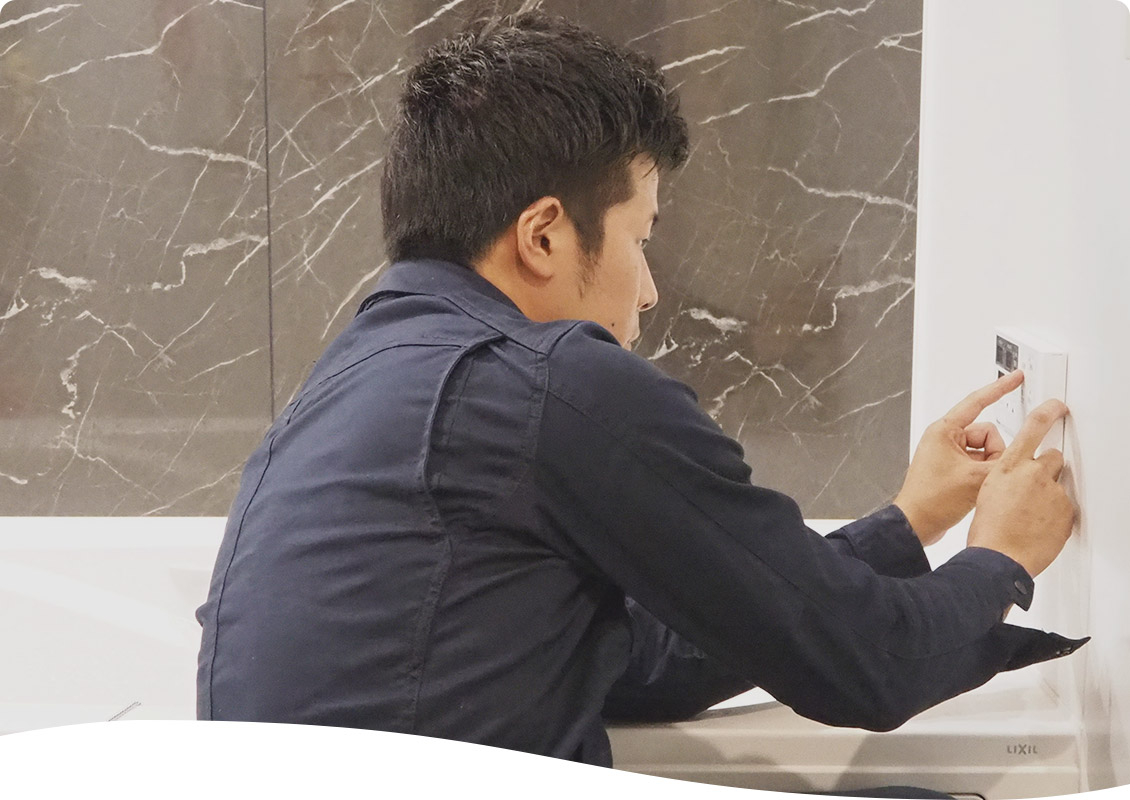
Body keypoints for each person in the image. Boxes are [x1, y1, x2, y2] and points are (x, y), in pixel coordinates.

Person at [195, 11, 1084, 771]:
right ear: (544, 236)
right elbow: (870, 668)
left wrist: (911, 521)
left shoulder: (351, 384)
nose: (650, 289)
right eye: (640, 238)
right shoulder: (546, 382)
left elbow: (642, 662)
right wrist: (1002, 557)